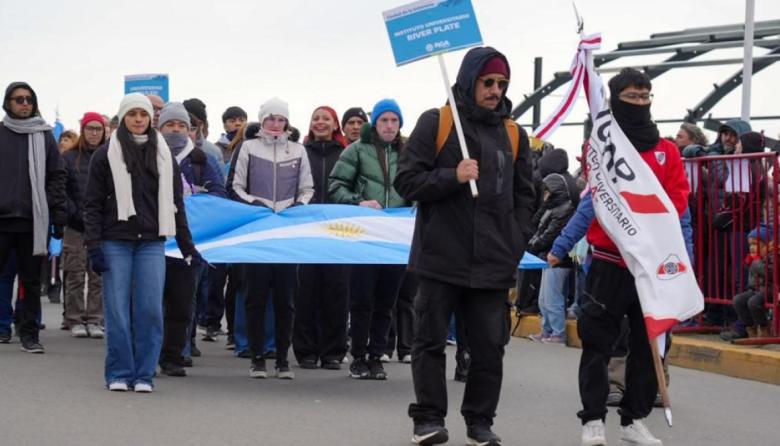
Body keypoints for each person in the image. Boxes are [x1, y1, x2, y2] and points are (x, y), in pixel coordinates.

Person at [394, 47, 535, 446]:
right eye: (488, 82)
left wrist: (515, 238)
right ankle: (428, 419)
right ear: (470, 80)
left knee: (489, 349)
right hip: (440, 257)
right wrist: (451, 176)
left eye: (502, 83)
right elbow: (406, 181)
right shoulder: (436, 122)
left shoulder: (513, 133)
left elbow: (526, 193)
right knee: (429, 342)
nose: (495, 90)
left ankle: (480, 422)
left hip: (493, 261)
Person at [561, 68, 688, 446]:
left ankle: (634, 419)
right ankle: (592, 419)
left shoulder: (667, 151)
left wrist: (649, 224)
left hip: (650, 265)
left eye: (645, 96)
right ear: (615, 101)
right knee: (597, 343)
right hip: (609, 260)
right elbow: (598, 190)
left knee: (648, 348)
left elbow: (678, 198)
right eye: (632, 97)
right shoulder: (602, 148)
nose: (640, 103)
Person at [83, 93, 200, 392]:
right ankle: (119, 372)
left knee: (150, 310)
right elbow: (92, 204)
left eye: (143, 114)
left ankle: (144, 374)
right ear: (123, 117)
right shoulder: (104, 155)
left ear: (150, 118)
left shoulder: (164, 155)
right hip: (115, 240)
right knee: (118, 311)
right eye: (132, 114)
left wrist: (187, 246)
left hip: (151, 242)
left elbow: (176, 204)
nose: (138, 119)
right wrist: (93, 246)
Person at [231, 97, 314, 380]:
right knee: (255, 297)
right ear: (262, 120)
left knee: (285, 299)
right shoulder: (248, 147)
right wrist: (255, 204)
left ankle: (281, 359)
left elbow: (307, 188)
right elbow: (236, 187)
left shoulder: (298, 150)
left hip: (287, 234)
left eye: (281, 119)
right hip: (258, 232)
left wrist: (299, 206)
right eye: (271, 119)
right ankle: (257, 358)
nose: (276, 124)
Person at [329, 98, 410, 381]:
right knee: (362, 299)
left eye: (394, 120)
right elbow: (335, 185)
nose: (389, 125)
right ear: (375, 123)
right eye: (384, 120)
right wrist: (358, 201)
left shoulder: (408, 153)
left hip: (395, 236)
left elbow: (417, 185)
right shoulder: (356, 150)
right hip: (365, 235)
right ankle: (358, 356)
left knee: (387, 301)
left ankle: (377, 356)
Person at [156, 102, 226, 377]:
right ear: (159, 128)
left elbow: (219, 194)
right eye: (169, 125)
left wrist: (195, 196)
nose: (175, 130)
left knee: (183, 301)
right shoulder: (149, 154)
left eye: (181, 125)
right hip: (153, 239)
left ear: (190, 129)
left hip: (189, 239)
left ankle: (177, 352)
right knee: (152, 300)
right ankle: (151, 351)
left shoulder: (201, 160)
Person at [0, 81, 68, 354]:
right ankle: (2, 327)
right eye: (19, 99)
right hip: (2, 220)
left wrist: (56, 212)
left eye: (29, 99)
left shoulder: (44, 135)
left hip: (32, 222)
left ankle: (29, 334)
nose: (25, 103)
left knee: (31, 282)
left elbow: (57, 175)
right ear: (8, 103)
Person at [293, 106, 350, 370]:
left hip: (339, 231)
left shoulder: (346, 153)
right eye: (315, 118)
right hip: (307, 230)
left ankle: (333, 352)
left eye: (326, 118)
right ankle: (306, 351)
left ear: (335, 124)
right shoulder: (300, 153)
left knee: (336, 291)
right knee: (306, 292)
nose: (320, 122)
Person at [62, 112, 106, 337]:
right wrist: (73, 213)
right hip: (75, 226)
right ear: (83, 130)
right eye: (90, 128)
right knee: (75, 274)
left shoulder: (109, 156)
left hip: (101, 226)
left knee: (98, 275)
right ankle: (75, 319)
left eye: (98, 129)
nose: (94, 133)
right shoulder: (69, 157)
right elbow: (61, 190)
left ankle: (96, 319)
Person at [526, 152, 578, 345]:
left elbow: (549, 234)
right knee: (544, 298)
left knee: (552, 298)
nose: (545, 195)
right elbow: (539, 227)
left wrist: (532, 245)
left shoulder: (564, 210)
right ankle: (546, 329)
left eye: (547, 191)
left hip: (558, 258)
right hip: (546, 256)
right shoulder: (552, 208)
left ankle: (558, 332)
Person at [731, 226, 774, 338]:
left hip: (770, 290)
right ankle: (751, 329)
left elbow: (770, 272)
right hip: (756, 289)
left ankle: (764, 328)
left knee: (753, 302)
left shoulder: (772, 256)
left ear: (766, 245)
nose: (751, 248)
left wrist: (756, 262)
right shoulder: (755, 258)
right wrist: (749, 263)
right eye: (750, 245)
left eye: (755, 244)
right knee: (738, 300)